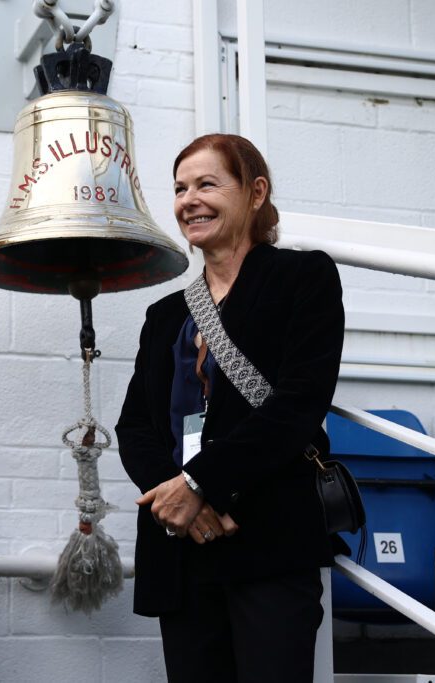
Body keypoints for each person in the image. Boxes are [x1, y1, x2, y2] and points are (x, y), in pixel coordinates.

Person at [116, 134, 345, 682]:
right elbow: (135, 426)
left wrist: (199, 485)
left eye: (207, 184)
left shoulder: (303, 278)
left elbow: (297, 405)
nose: (189, 199)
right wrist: (181, 503)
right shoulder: (165, 313)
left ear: (255, 192)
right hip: (183, 547)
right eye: (179, 188)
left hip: (266, 540)